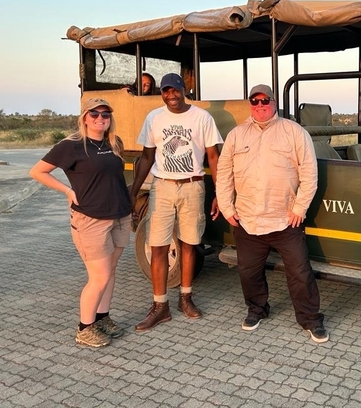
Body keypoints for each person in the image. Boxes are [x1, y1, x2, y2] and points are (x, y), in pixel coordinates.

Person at [216, 84, 328, 343]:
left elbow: (310, 174)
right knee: (247, 272)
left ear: (274, 102)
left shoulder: (294, 132)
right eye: (254, 101)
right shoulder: (236, 135)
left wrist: (299, 208)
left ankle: (310, 319)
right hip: (247, 220)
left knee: (300, 272)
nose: (260, 105)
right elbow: (224, 175)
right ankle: (256, 310)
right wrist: (227, 208)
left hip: (285, 220)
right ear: (250, 105)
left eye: (264, 100)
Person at [29, 98, 132, 348]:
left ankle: (102, 318)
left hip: (119, 215)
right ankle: (84, 328)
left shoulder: (113, 142)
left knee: (111, 271)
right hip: (91, 219)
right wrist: (67, 191)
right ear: (84, 117)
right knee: (99, 276)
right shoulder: (71, 146)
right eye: (94, 114)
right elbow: (37, 171)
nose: (100, 119)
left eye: (105, 114)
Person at [130, 73, 223, 331]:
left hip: (193, 186)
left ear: (184, 90)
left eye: (175, 90)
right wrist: (134, 189)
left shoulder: (202, 117)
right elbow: (147, 157)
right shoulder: (154, 118)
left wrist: (220, 192)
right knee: (158, 245)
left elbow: (213, 157)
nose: (171, 95)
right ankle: (160, 306)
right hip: (163, 186)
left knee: (189, 244)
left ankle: (186, 298)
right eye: (166, 91)